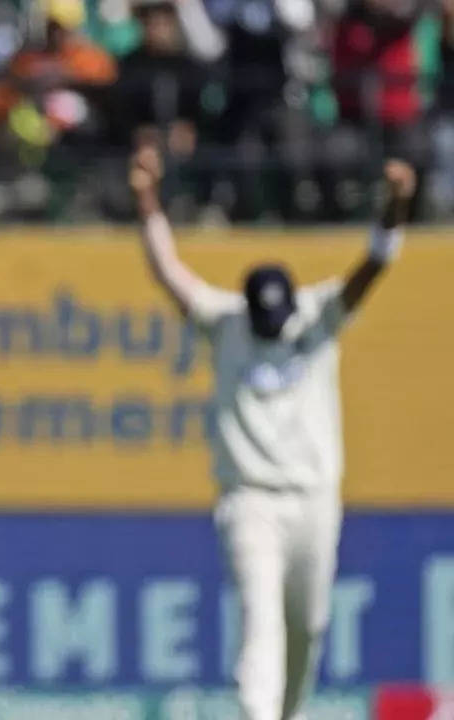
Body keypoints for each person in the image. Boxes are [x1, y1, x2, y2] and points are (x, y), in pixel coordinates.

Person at [129, 145, 412, 720]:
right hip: (250, 499)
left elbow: (375, 262)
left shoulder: (319, 313)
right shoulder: (224, 320)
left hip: (314, 499)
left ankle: (286, 715)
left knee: (306, 628)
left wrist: (397, 205)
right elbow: (168, 270)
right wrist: (145, 199)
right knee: (260, 617)